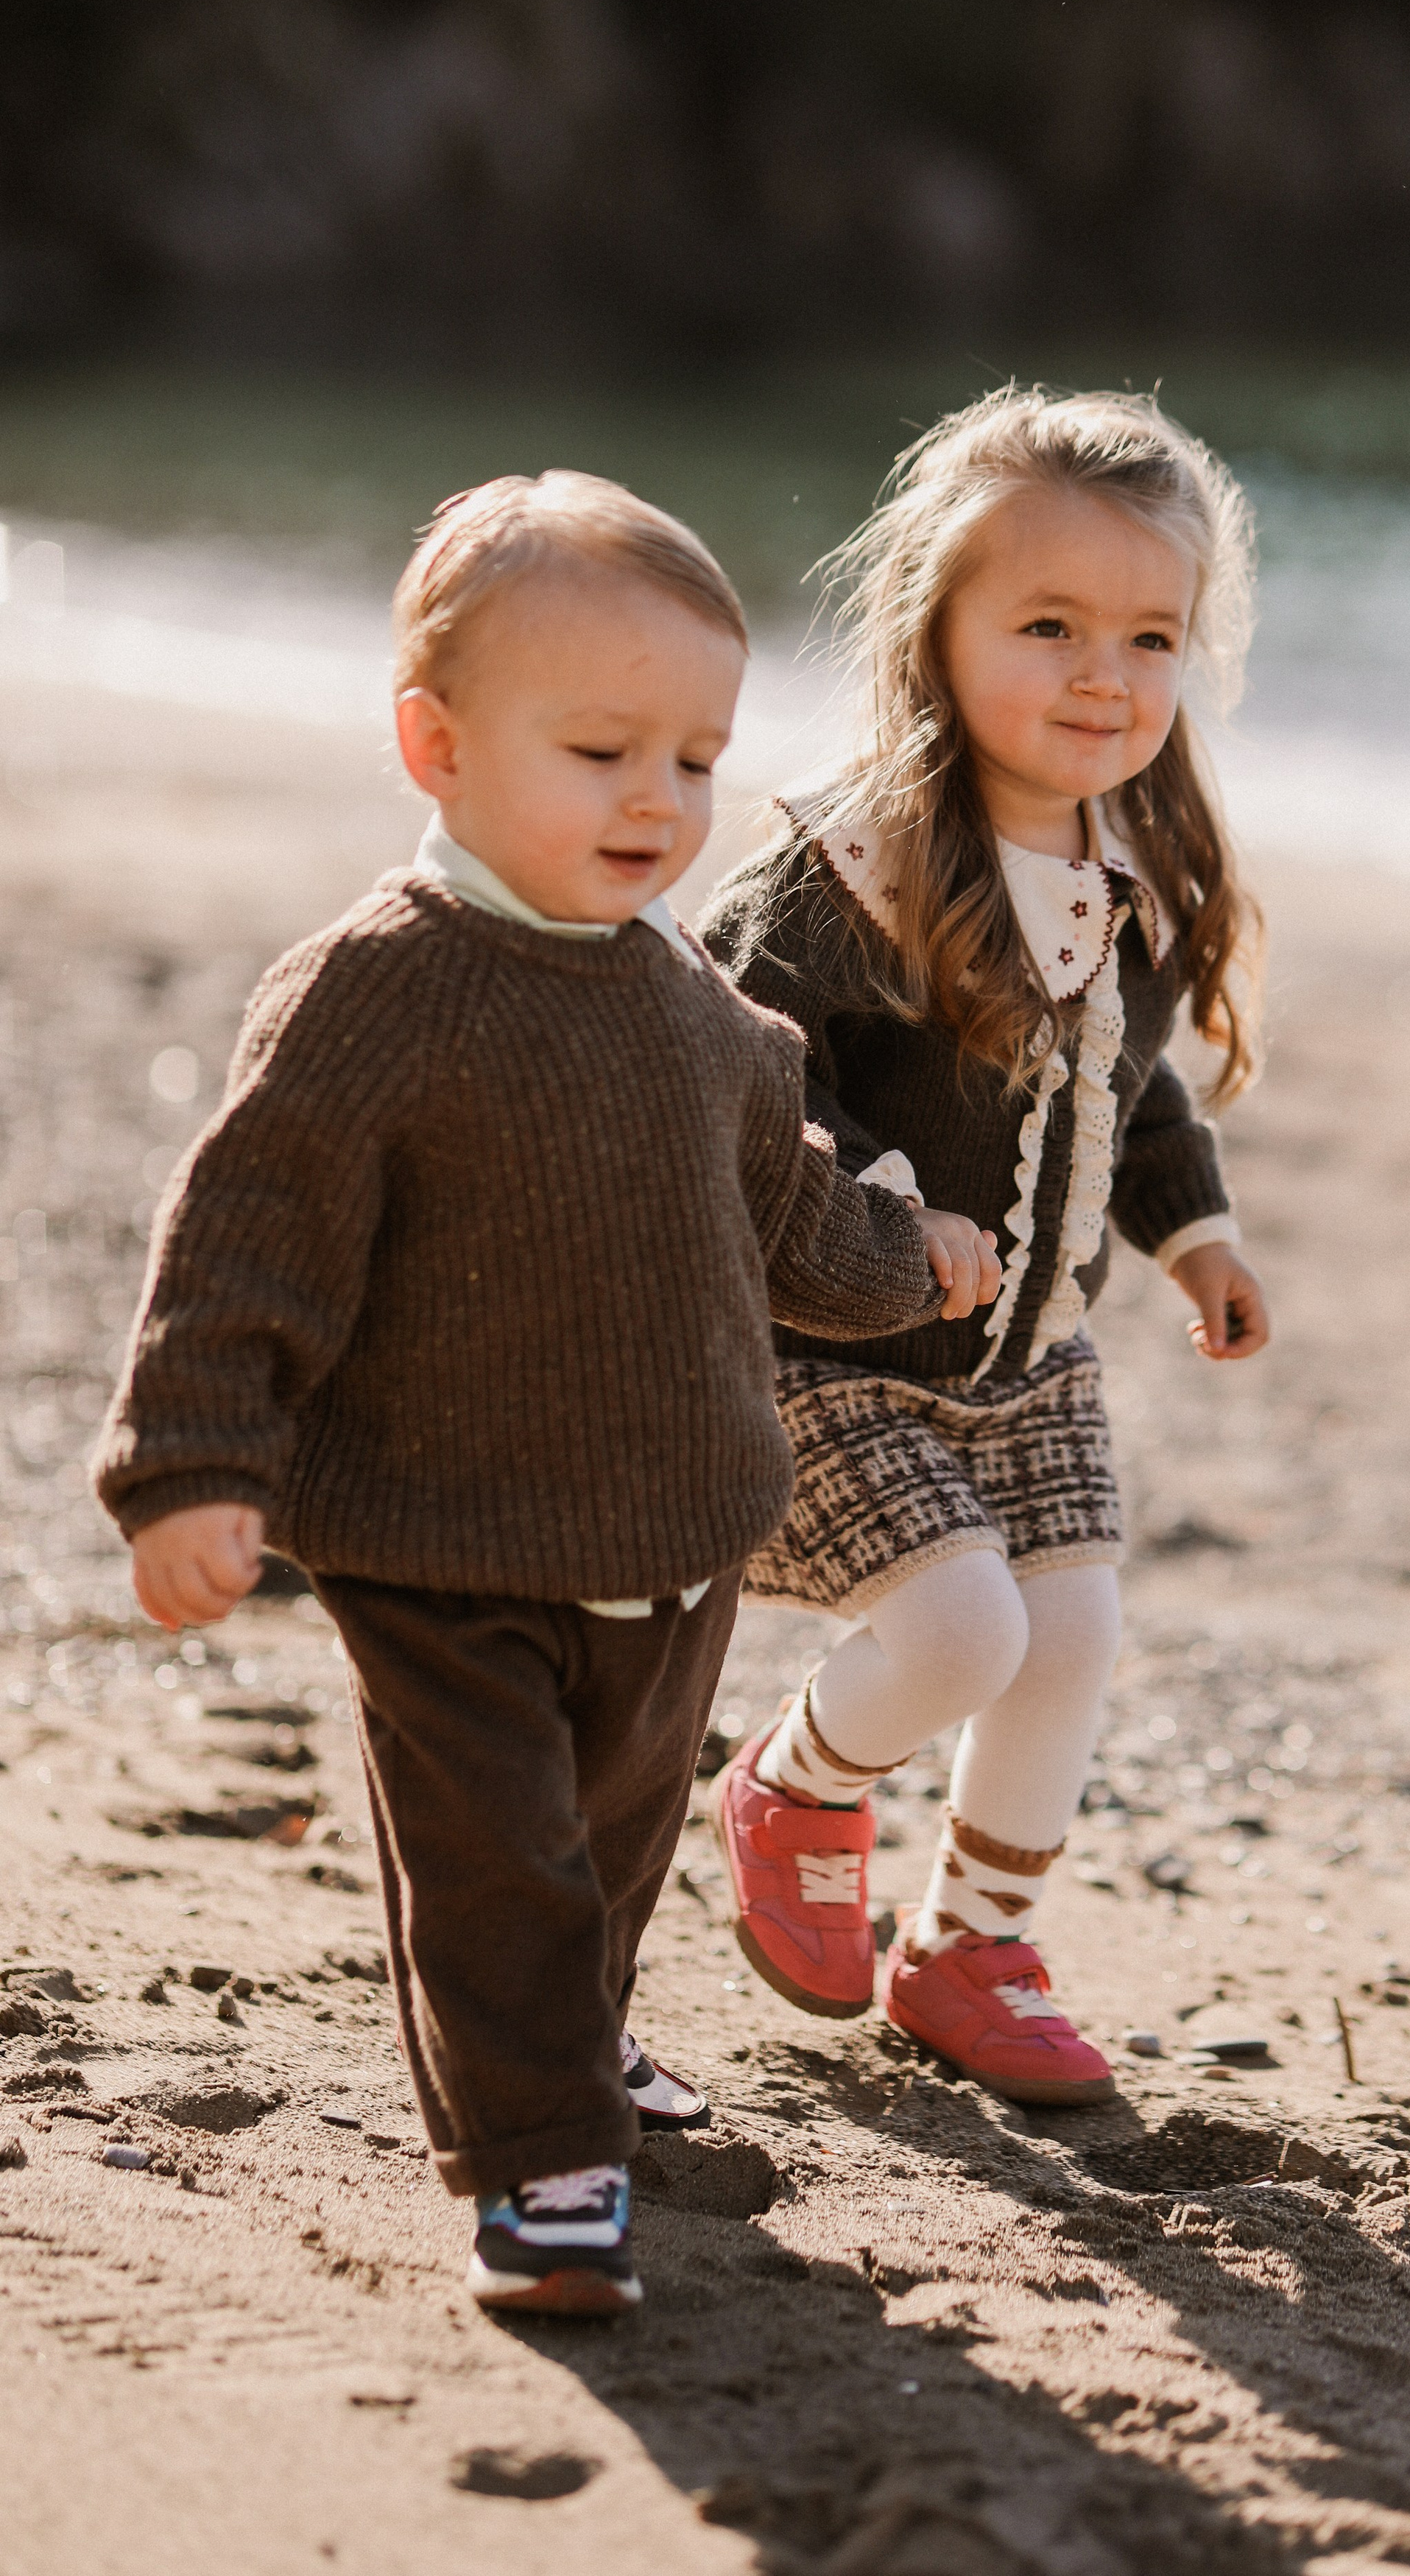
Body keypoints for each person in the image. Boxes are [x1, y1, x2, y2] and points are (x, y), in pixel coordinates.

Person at [91, 471, 998, 2314]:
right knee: (498, 1855)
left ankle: (581, 2042)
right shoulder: (375, 992)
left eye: (695, 760)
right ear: (434, 745)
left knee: (614, 1829)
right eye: (599, 754)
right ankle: (544, 2160)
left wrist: (913, 1260)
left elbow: (788, 1215)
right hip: (442, 1539)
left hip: (673, 1524)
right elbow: (248, 1239)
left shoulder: (699, 1009)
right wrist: (190, 1465)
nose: (657, 802)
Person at [699, 387, 1271, 2105]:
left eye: (1149, 638)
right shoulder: (850, 865)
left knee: (1069, 1635)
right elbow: (734, 1063)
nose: (1105, 676)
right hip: (832, 1350)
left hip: (1028, 1363)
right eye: (1047, 627)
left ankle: (970, 1948)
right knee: (962, 1638)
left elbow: (1130, 1096)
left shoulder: (1131, 882)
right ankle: (794, 1788)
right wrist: (882, 1196)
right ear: (930, 629)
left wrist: (1196, 1240)